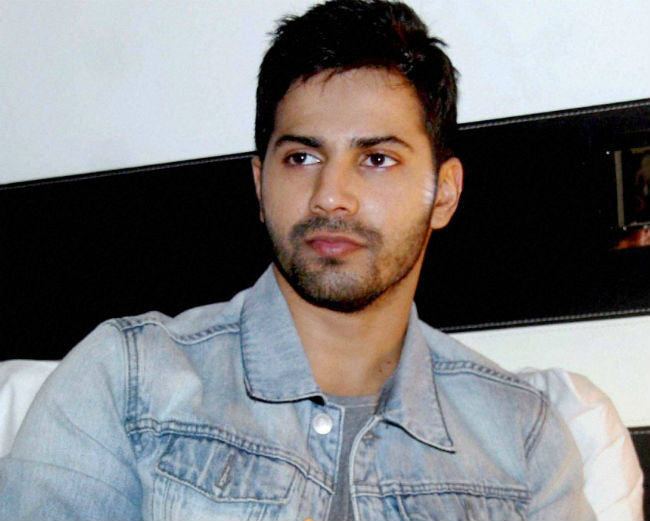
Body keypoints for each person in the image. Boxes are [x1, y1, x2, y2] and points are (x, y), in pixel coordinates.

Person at [0, 1, 595, 519]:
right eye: (302, 158)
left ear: (443, 193)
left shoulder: (521, 435)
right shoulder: (129, 379)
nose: (330, 195)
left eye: (377, 159)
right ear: (260, 187)